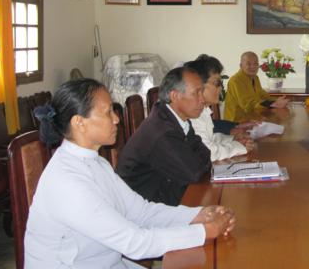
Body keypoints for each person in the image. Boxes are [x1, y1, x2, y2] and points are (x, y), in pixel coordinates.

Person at [25, 78, 235, 268]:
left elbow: (141, 212)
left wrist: (198, 215)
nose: (116, 119)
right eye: (108, 112)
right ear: (79, 122)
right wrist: (205, 231)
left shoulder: (96, 163)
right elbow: (135, 243)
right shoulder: (66, 182)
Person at [116, 67, 213, 206]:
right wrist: (197, 159)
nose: (202, 99)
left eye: (202, 92)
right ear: (174, 96)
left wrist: (197, 159)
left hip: (164, 192)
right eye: (196, 93)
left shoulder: (174, 118)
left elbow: (204, 153)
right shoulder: (162, 131)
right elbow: (194, 173)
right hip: (142, 207)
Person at [185, 56, 256, 161]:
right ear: (198, 85)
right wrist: (238, 146)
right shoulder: (192, 114)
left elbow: (211, 139)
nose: (220, 88)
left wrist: (232, 139)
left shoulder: (203, 111)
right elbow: (207, 152)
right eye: (217, 83)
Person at [224, 51, 290, 122]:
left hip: (253, 118)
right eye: (248, 64)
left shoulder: (255, 78)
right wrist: (273, 104)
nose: (253, 67)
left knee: (281, 122)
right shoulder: (235, 81)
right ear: (241, 65)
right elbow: (248, 104)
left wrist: (276, 100)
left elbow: (262, 95)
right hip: (236, 122)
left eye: (255, 64)